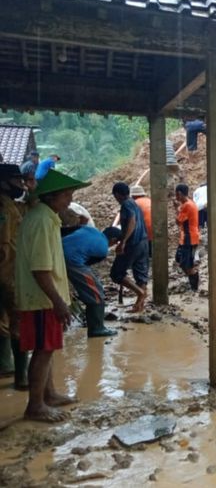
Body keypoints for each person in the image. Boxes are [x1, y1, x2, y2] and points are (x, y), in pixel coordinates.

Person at [15, 169, 89, 422]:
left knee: (46, 347)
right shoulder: (43, 221)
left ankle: (49, 394)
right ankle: (35, 406)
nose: (69, 199)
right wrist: (58, 301)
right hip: (42, 299)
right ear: (52, 197)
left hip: (44, 296)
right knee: (43, 350)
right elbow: (40, 269)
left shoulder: (45, 217)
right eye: (67, 195)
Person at [60, 213, 117, 338]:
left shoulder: (90, 229)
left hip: (57, 251)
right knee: (96, 293)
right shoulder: (103, 249)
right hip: (72, 261)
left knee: (90, 288)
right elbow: (85, 265)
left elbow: (67, 231)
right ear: (113, 241)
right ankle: (97, 329)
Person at [0, 164, 28, 390]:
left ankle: (5, 365)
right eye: (17, 180)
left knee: (4, 322)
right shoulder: (4, 208)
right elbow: (4, 248)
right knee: (17, 323)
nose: (21, 185)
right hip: (8, 275)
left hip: (9, 273)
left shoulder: (12, 205)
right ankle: (22, 377)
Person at [110, 182, 149, 312]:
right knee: (141, 275)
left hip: (133, 244)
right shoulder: (134, 203)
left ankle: (140, 293)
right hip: (144, 242)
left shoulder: (126, 205)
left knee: (116, 274)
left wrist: (124, 241)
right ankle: (139, 306)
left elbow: (132, 221)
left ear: (117, 195)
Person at [173, 184, 201, 292]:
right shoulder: (189, 204)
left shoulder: (186, 205)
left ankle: (194, 286)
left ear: (179, 193)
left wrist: (176, 209)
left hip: (189, 238)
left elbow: (178, 221)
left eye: (176, 194)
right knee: (180, 259)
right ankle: (193, 281)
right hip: (188, 237)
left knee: (185, 264)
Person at [130, 186, 153, 256]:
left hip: (144, 235)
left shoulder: (134, 203)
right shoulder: (149, 200)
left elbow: (131, 221)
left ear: (133, 196)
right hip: (156, 232)